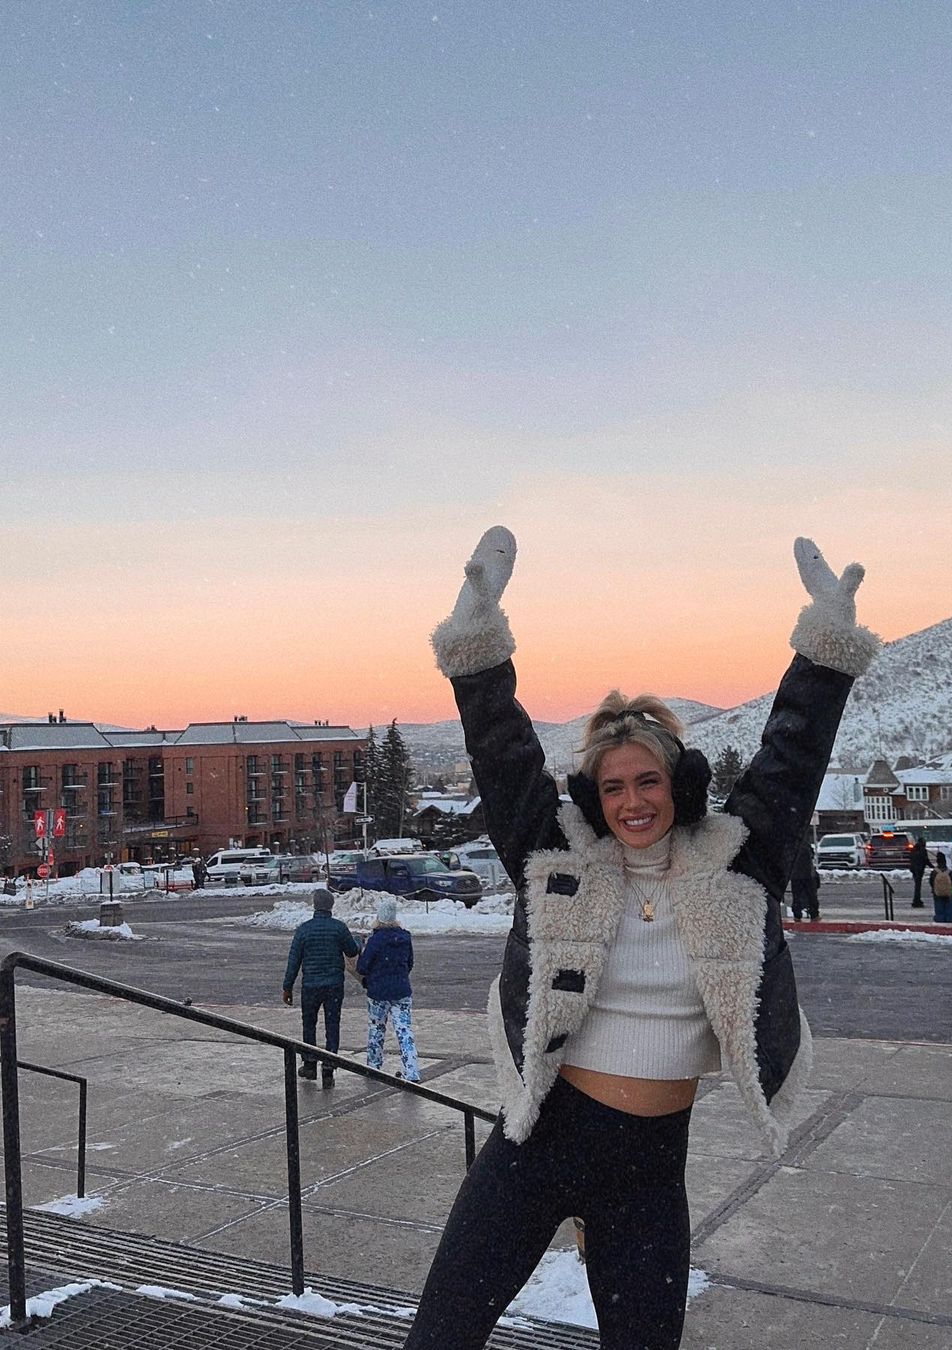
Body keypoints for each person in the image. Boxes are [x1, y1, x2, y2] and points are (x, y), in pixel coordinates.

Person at [401, 527, 880, 1350]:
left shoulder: (737, 861)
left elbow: (792, 757)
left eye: (648, 781)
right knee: (441, 1337)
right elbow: (503, 757)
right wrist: (476, 652)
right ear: (595, 798)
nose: (632, 802)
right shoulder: (558, 859)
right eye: (614, 786)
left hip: (650, 1171)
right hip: (536, 1144)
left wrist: (826, 654)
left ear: (679, 784)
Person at [282, 887, 360, 1087]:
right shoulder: (339, 928)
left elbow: (294, 961)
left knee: (309, 1024)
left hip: (310, 986)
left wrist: (287, 986)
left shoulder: (304, 930)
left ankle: (309, 1064)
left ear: (315, 906)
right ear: (331, 906)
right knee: (332, 1025)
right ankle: (328, 1068)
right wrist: (358, 942)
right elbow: (352, 951)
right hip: (334, 985)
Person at [358, 896, 421, 1082]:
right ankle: (412, 1071)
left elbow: (362, 967)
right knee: (404, 1030)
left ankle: (374, 1067)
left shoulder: (375, 940)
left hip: (378, 993)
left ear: (379, 918)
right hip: (401, 991)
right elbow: (409, 963)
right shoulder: (405, 938)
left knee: (377, 1029)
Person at [789, 827, 820, 921]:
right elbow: (811, 855)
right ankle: (814, 914)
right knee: (811, 896)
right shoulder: (805, 845)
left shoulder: (792, 845)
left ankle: (797, 915)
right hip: (808, 875)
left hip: (796, 875)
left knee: (797, 896)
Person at [930, 851, 952, 923]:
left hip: (937, 894)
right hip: (949, 894)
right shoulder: (950, 872)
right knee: (949, 910)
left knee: (939, 910)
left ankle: (940, 923)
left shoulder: (934, 872)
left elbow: (931, 883)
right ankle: (949, 923)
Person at [909, 836, 929, 908]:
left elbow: (911, 859)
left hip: (914, 869)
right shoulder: (923, 850)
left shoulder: (914, 849)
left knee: (917, 886)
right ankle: (917, 901)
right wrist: (933, 867)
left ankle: (916, 900)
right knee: (918, 886)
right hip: (919, 870)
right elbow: (926, 860)